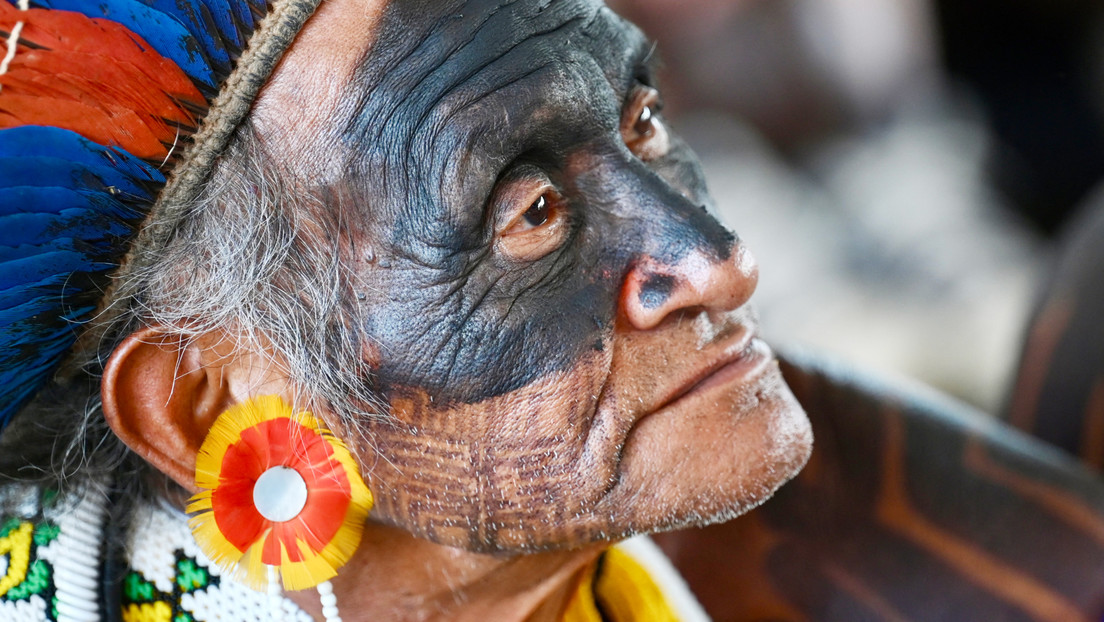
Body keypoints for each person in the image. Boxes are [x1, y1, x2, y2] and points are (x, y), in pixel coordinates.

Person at [1, 1, 1103, 621]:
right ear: (205, 404)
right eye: (530, 213)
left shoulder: (780, 518)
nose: (719, 262)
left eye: (645, 125)